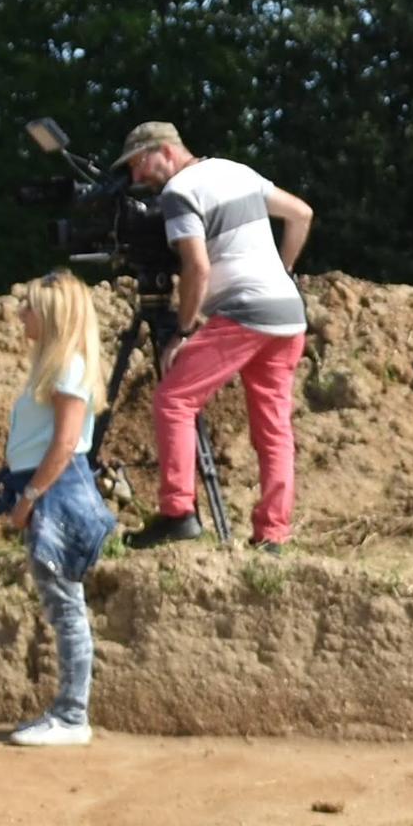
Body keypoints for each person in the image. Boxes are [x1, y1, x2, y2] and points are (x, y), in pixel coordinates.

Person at [111, 121, 315, 552]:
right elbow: (301, 214)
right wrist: (284, 271)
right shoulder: (236, 171)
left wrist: (183, 332)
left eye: (138, 164)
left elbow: (196, 268)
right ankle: (272, 536)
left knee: (174, 399)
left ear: (165, 151)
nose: (135, 178)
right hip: (288, 314)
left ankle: (178, 513)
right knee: (273, 428)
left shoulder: (180, 192)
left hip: (244, 313)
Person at [0, 272, 116, 747]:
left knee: (65, 604)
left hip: (57, 492)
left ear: (53, 316)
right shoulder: (57, 368)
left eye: (31, 306)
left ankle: (71, 715)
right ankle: (69, 713)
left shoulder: (67, 369)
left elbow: (65, 443)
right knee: (62, 602)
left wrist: (29, 499)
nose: (22, 312)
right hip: (50, 488)